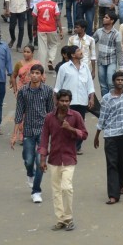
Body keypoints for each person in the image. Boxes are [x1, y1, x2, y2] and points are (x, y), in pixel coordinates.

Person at [39, 90, 88, 232]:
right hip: (54, 159)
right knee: (56, 190)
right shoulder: (49, 118)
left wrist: (71, 129)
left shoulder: (76, 116)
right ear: (57, 101)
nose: (64, 103)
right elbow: (44, 139)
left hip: (69, 158)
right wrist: (43, 159)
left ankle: (69, 218)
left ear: (70, 102)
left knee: (66, 188)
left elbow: (84, 134)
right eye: (62, 101)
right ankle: (60, 219)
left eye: (67, 101)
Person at [12, 63, 54, 205]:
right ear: (29, 75)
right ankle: (30, 173)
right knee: (28, 160)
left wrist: (53, 134)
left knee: (39, 161)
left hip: (43, 131)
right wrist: (14, 135)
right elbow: (19, 113)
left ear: (42, 76)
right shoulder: (23, 92)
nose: (35, 75)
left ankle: (36, 191)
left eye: (38, 73)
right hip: (28, 131)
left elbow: (51, 113)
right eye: (33, 73)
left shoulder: (48, 91)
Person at [94, 71, 123, 203]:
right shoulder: (107, 98)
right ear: (113, 81)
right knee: (112, 163)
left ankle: (120, 185)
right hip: (110, 135)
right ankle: (113, 195)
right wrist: (97, 134)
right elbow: (103, 117)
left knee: (122, 162)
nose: (120, 82)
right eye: (118, 80)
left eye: (122, 80)